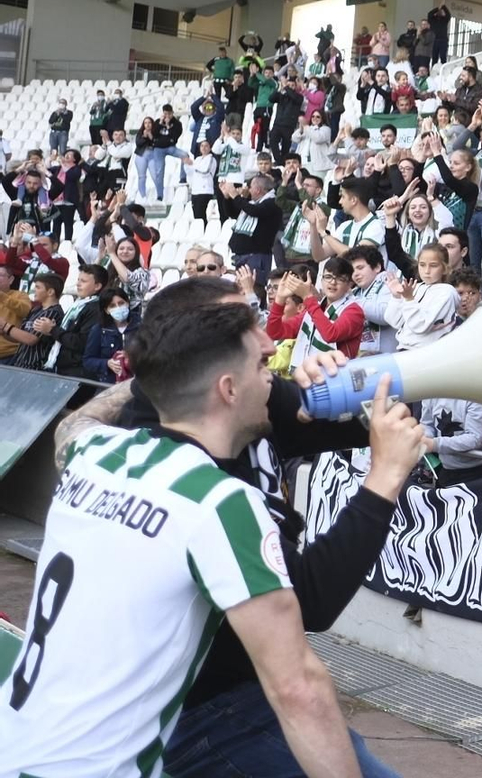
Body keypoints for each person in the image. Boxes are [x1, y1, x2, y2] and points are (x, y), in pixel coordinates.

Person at [0, 287, 389, 778]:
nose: (271, 349)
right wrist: (386, 474)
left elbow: (75, 428)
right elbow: (298, 687)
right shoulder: (218, 502)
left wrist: (350, 384)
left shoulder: (94, 453)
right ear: (227, 387)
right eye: (257, 356)